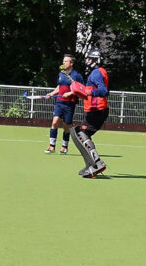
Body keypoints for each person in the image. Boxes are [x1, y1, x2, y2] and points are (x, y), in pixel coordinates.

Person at [68, 49, 109, 178]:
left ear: (95, 60)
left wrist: (90, 93)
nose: (88, 61)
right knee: (79, 133)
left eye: (90, 59)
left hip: (97, 110)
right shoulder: (98, 72)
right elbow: (87, 90)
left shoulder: (96, 73)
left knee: (80, 133)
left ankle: (97, 163)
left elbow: (103, 91)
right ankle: (90, 164)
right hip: (95, 110)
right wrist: (73, 92)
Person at [43, 54, 84, 154]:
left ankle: (64, 147)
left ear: (71, 63)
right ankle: (52, 146)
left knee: (66, 126)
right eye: (63, 61)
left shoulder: (76, 75)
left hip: (70, 104)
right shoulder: (62, 73)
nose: (63, 63)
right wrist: (51, 93)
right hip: (59, 103)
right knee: (54, 122)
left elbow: (81, 89)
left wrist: (70, 93)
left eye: (66, 61)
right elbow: (59, 87)